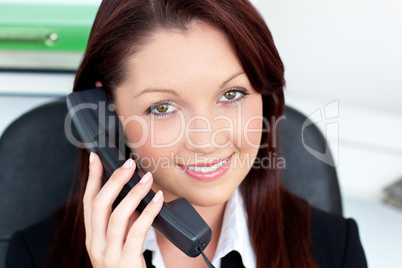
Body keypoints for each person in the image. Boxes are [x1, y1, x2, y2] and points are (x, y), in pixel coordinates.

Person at [6, 0, 367, 267]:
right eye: (163, 107)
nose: (207, 139)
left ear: (265, 97)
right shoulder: (35, 255)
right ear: (105, 115)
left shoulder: (335, 248)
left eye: (231, 95)